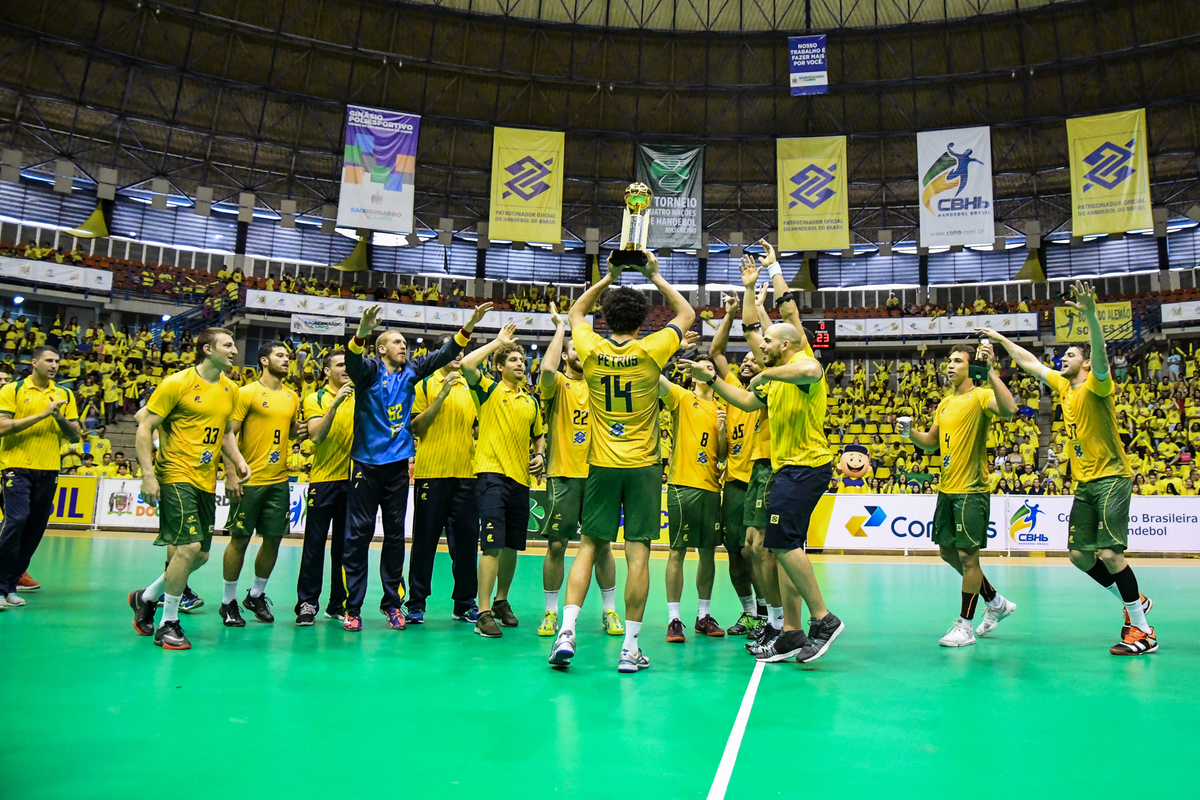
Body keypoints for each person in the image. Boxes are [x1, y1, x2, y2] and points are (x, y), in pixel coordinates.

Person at [982, 279, 1155, 656]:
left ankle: (1143, 632)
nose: (1063, 357)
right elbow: (1029, 362)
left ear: (1086, 363)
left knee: (1110, 554)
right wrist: (1001, 339)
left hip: (1112, 477)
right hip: (1085, 483)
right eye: (1063, 354)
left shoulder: (1097, 384)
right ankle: (1135, 601)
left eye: (1071, 354)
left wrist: (1091, 315)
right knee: (1079, 556)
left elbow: (1101, 355)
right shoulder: (1062, 385)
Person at [548, 250, 693, 674]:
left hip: (601, 464)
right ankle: (630, 649)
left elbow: (576, 312)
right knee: (638, 554)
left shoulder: (591, 348)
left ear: (606, 319)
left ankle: (566, 631)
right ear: (643, 320)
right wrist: (654, 275)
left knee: (589, 546)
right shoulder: (652, 350)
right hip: (644, 466)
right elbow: (686, 313)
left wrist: (608, 277)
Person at [682, 313, 843, 664]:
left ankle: (824, 619)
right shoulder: (775, 380)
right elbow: (746, 401)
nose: (761, 345)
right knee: (781, 547)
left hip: (805, 466)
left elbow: (811, 371)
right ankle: (792, 632)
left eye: (767, 341)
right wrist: (712, 379)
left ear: (785, 344)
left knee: (782, 544)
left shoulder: (803, 364)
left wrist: (766, 373)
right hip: (787, 469)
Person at [340, 303, 488, 633]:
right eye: (396, 342)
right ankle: (353, 608)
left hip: (397, 467)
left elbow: (445, 353)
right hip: (366, 464)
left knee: (395, 537)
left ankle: (393, 604)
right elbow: (351, 361)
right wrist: (362, 332)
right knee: (358, 536)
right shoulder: (368, 372)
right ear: (381, 349)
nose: (403, 346)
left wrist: (469, 325)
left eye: (405, 342)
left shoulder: (412, 370)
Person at [127, 328, 250, 650]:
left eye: (234, 345)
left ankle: (147, 596)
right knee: (189, 546)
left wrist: (237, 461)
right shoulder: (176, 383)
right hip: (175, 473)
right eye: (227, 345)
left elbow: (226, 433)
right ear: (207, 349)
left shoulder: (231, 389)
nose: (234, 350)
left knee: (202, 555)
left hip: (205, 479)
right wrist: (148, 475)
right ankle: (168, 623)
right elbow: (145, 425)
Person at [899, 342, 1019, 647]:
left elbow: (1009, 409)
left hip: (971, 490)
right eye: (949, 361)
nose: (950, 366)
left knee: (968, 557)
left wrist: (990, 372)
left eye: (957, 361)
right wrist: (909, 433)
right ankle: (995, 602)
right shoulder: (944, 403)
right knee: (948, 552)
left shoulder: (981, 396)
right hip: (946, 488)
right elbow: (931, 443)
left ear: (970, 367)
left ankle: (965, 626)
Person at [536, 303, 623, 638]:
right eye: (574, 349)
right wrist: (562, 328)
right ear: (565, 355)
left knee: (602, 546)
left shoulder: (601, 386)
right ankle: (550, 612)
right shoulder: (558, 383)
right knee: (557, 545)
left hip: (599, 475)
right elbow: (546, 369)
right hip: (563, 475)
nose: (579, 353)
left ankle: (609, 610)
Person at [460, 324, 546, 638]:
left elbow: (539, 436)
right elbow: (467, 364)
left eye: (522, 360)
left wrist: (540, 454)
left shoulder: (531, 402)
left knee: (511, 547)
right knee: (492, 545)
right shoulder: (488, 390)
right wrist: (498, 342)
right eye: (513, 360)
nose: (520, 364)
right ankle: (482, 612)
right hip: (491, 475)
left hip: (520, 480)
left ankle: (500, 601)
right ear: (499, 367)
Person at [218, 342, 302, 627]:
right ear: (264, 360)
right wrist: (231, 474)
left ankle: (255, 595)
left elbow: (288, 431)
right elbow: (228, 435)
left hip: (279, 481)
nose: (286, 360)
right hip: (249, 480)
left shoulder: (292, 396)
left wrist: (300, 430)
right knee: (239, 539)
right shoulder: (247, 393)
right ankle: (228, 601)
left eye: (288, 356)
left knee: (274, 539)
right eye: (280, 355)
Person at [405, 335, 481, 625]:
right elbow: (416, 427)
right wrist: (442, 394)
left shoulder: (472, 385)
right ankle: (416, 603)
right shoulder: (423, 384)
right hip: (431, 475)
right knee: (424, 543)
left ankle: (465, 603)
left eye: (463, 351)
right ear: (440, 353)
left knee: (465, 545)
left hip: (466, 475)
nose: (459, 355)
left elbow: (479, 427)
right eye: (454, 350)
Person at [0, 347, 80, 609]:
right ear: (34, 362)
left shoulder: (65, 394)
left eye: (57, 361)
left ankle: (9, 585)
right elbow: (1, 427)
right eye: (49, 360)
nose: (54, 365)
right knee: (17, 520)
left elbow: (75, 435)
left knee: (35, 529)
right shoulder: (12, 390)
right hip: (16, 466)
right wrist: (42, 415)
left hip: (49, 468)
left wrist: (58, 417)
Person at [707, 293, 767, 636]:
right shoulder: (731, 390)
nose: (747, 363)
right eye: (743, 360)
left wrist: (755, 308)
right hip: (733, 483)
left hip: (760, 479)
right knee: (734, 551)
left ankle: (768, 612)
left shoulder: (770, 388)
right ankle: (749, 612)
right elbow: (716, 352)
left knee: (755, 550)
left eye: (753, 359)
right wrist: (729, 314)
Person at [660, 356, 727, 642]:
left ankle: (703, 616)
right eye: (701, 367)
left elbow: (722, 455)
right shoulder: (682, 397)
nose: (706, 370)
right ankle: (673, 619)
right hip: (682, 486)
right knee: (677, 551)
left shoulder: (723, 408)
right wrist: (673, 347)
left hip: (711, 488)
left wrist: (722, 432)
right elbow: (654, 376)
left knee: (708, 552)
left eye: (711, 367)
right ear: (693, 374)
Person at [294, 348, 355, 625]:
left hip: (353, 482)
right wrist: (337, 402)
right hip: (323, 480)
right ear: (327, 371)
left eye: (348, 364)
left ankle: (337, 603)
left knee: (345, 546)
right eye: (340, 365)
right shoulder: (315, 398)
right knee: (314, 544)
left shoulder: (361, 396)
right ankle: (307, 602)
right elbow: (316, 436)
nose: (346, 369)